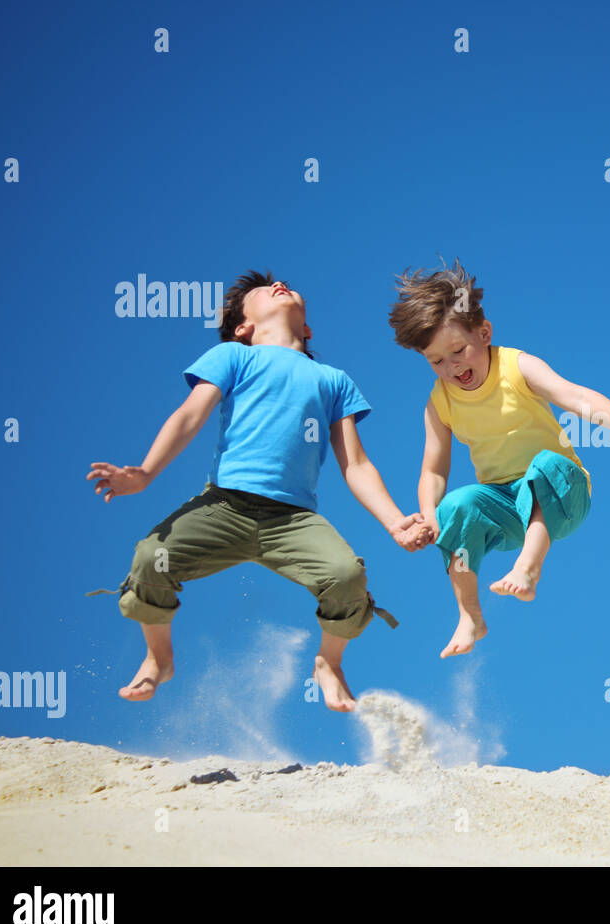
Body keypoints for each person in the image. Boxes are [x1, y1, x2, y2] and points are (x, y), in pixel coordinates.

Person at [86, 270, 431, 711]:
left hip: (293, 520)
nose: (279, 285)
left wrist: (394, 522)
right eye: (264, 291)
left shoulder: (333, 380)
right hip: (224, 505)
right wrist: (146, 473)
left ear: (307, 329)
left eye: (284, 285)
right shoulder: (233, 356)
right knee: (151, 558)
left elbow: (357, 464)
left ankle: (329, 662)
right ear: (243, 328)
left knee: (346, 576)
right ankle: (159, 656)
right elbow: (190, 415)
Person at [387, 258, 610, 659]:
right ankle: (470, 616)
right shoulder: (439, 402)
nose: (452, 366)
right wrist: (428, 513)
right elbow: (433, 469)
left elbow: (577, 397)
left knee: (544, 465)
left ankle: (528, 568)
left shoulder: (516, 365)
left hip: (562, 491)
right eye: (436, 361)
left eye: (458, 350)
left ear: (484, 332)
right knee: (455, 505)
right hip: (506, 508)